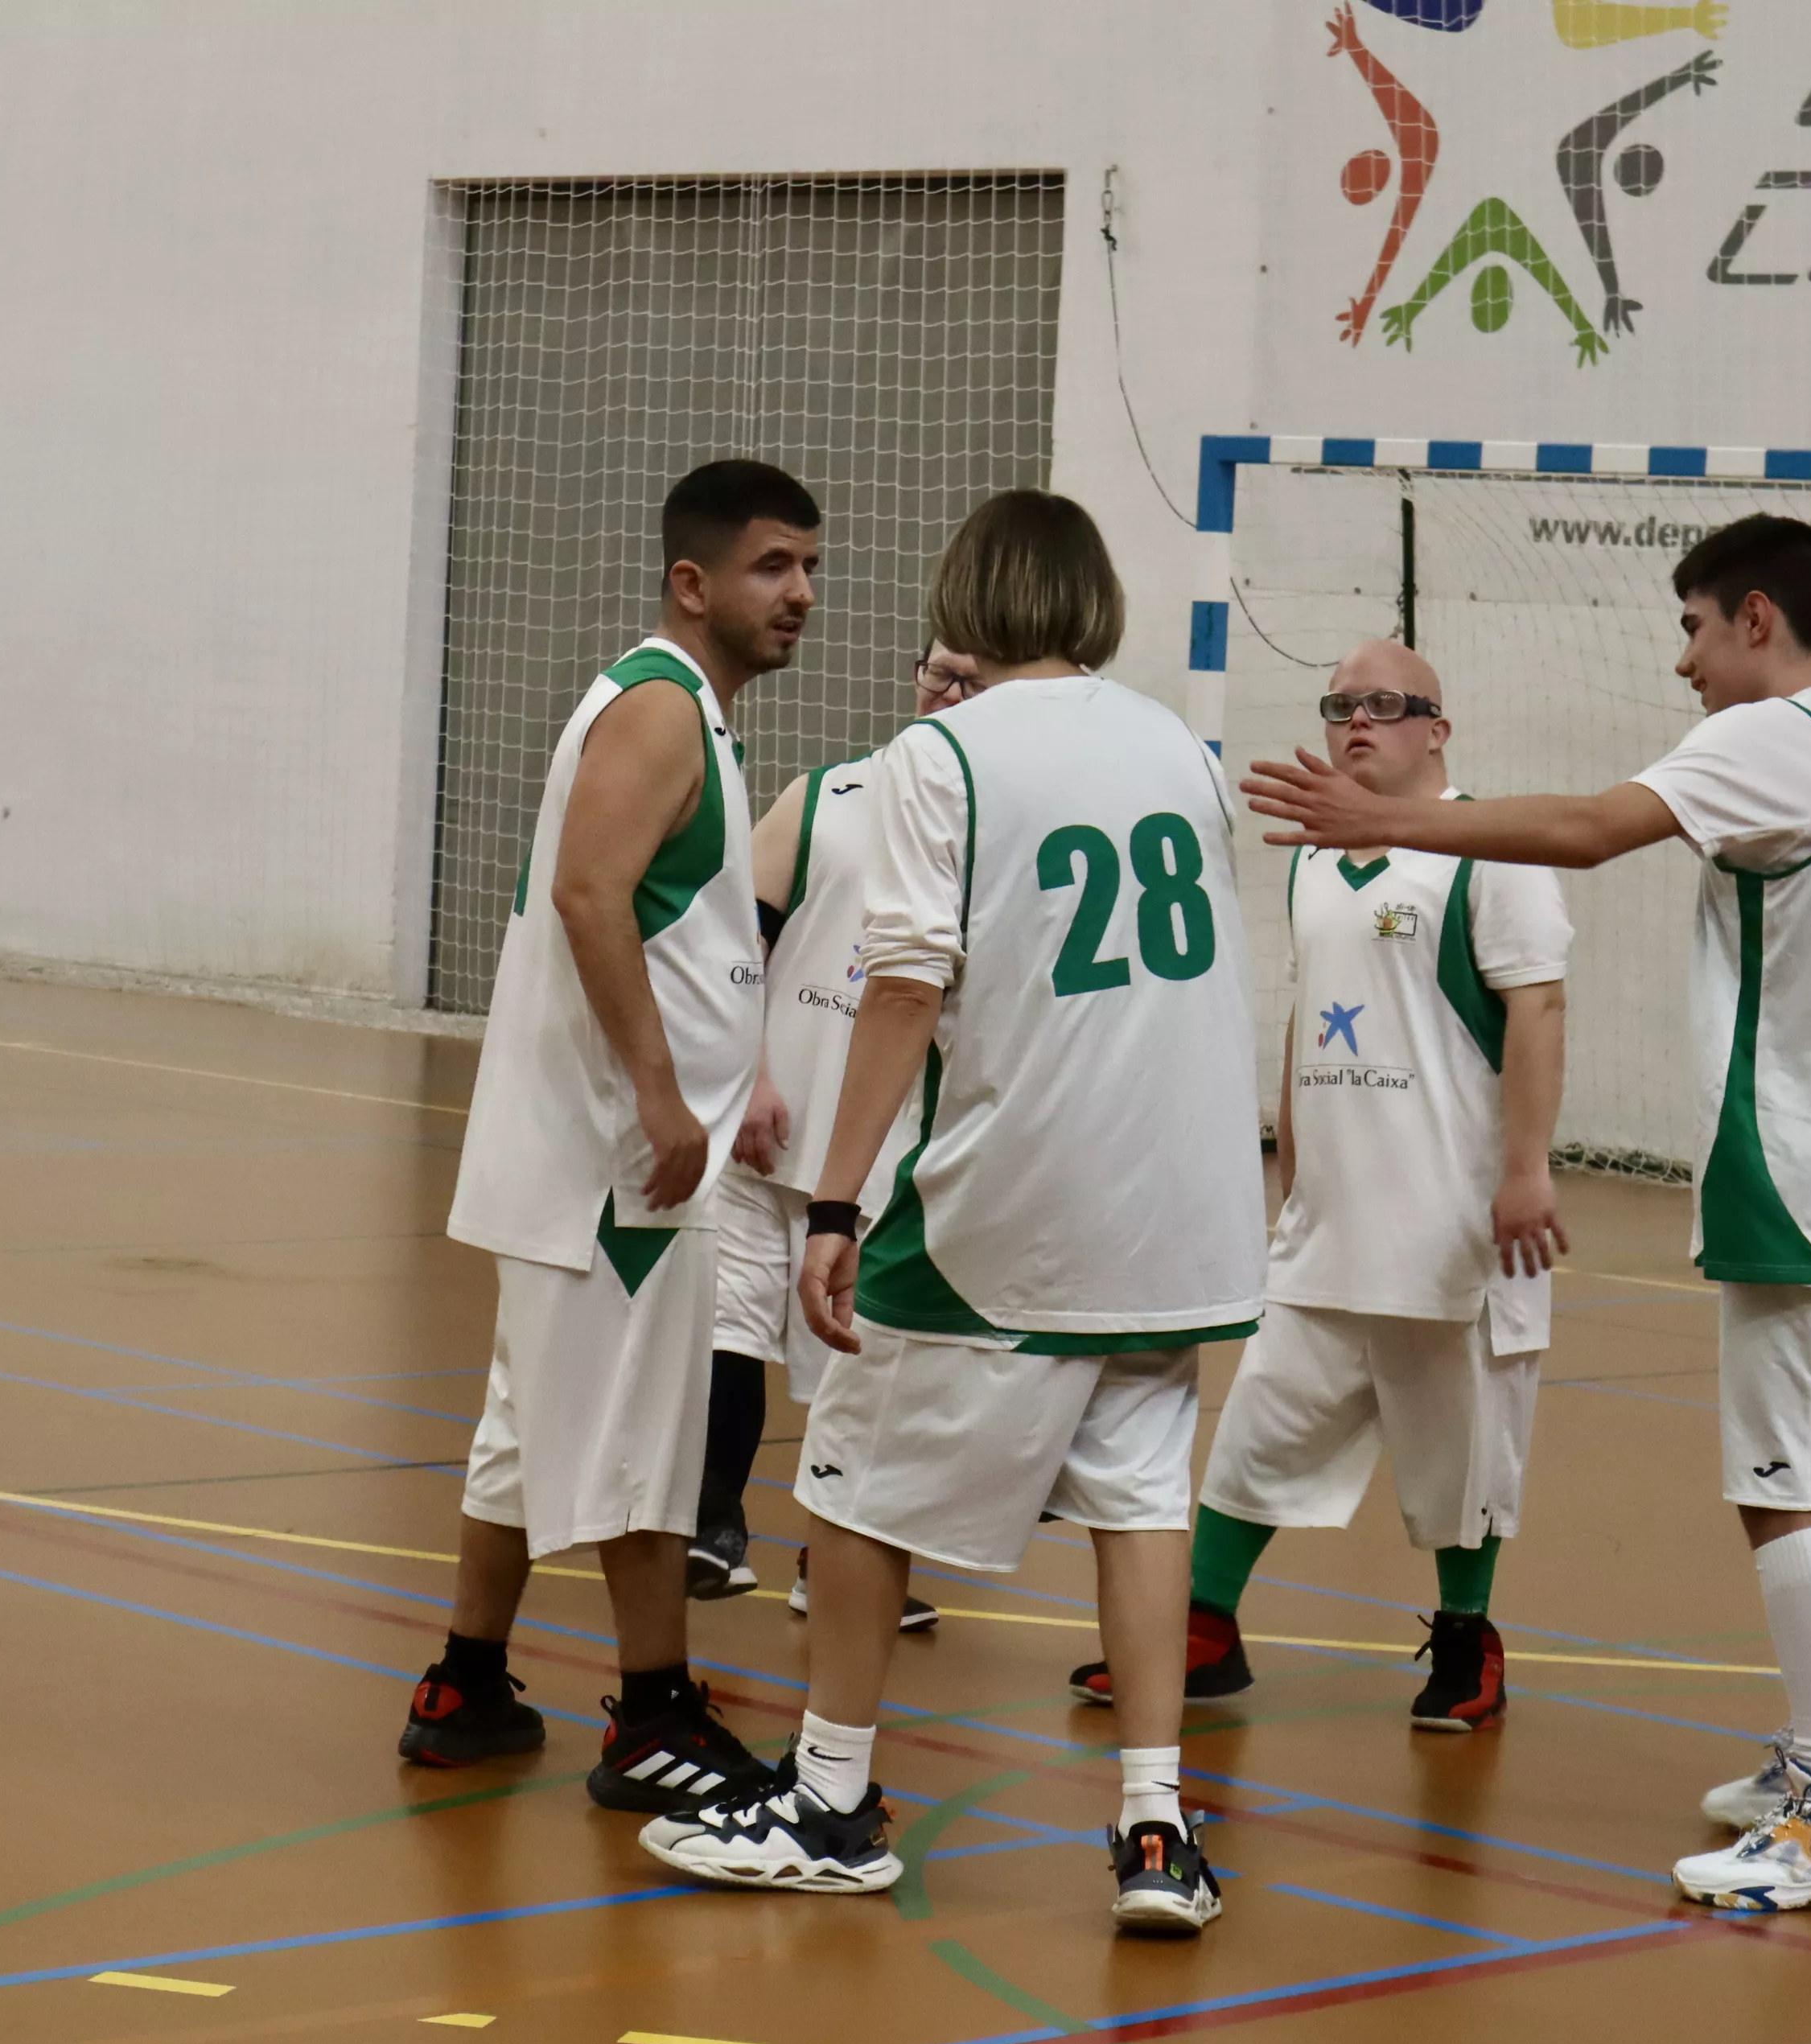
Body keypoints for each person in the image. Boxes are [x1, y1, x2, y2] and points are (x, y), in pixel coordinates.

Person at [1239, 513, 1811, 1913]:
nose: (1683, 663)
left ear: (1756, 620)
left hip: (1800, 1174)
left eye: (1695, 630)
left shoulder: (1777, 736)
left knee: (1782, 1498)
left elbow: (1593, 830)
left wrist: (1388, 821)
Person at [638, 491, 1266, 1933]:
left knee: (850, 1485)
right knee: (1137, 1499)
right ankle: (1157, 1828)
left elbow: (904, 981)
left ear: (968, 594)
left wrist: (835, 1199)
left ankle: (833, 1798)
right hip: (1181, 1204)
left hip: (1018, 1197)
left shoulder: (940, 755)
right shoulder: (1178, 745)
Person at [397, 459, 824, 1821]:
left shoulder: (670, 705)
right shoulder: (659, 710)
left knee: (523, 1434)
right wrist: (658, 1094)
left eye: (810, 566)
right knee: (640, 1436)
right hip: (610, 1165)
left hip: (568, 1154)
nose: (801, 593)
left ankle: (464, 1683)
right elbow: (590, 894)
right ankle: (650, 1717)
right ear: (690, 582)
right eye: (771, 566)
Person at [1067, 639, 1570, 1733]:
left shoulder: (1491, 852)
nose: (1357, 721)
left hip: (1452, 1227)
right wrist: (1289, 1172)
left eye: (1385, 705)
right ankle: (1203, 1625)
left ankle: (1467, 1641)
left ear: (1437, 730)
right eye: (1341, 704)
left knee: (1460, 1462)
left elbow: (1538, 1007)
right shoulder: (1313, 857)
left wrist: (1526, 1170)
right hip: (1330, 1222)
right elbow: (1309, 1020)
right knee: (1258, 1435)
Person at [688, 644, 974, 1640]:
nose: (943, 692)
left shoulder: (991, 829)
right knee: (729, 1324)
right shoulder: (825, 797)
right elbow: (732, 947)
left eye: (969, 681)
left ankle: (828, 1560)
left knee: (848, 1370)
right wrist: (752, 1070)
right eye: (934, 672)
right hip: (768, 1126)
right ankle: (712, 1524)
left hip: (883, 1160)